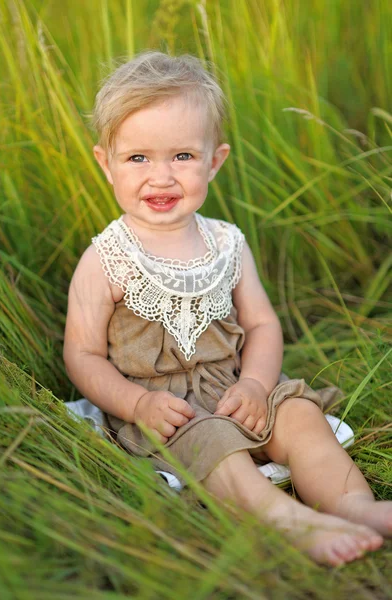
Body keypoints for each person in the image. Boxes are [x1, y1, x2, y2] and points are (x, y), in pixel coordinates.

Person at [63, 51, 390, 566]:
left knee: (302, 415)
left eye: (182, 157)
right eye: (138, 158)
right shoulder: (106, 258)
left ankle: (355, 504)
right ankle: (290, 522)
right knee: (211, 439)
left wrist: (258, 385)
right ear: (106, 163)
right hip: (167, 412)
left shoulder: (226, 242)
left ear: (215, 160)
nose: (161, 177)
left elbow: (261, 324)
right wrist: (136, 405)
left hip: (237, 391)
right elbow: (82, 355)